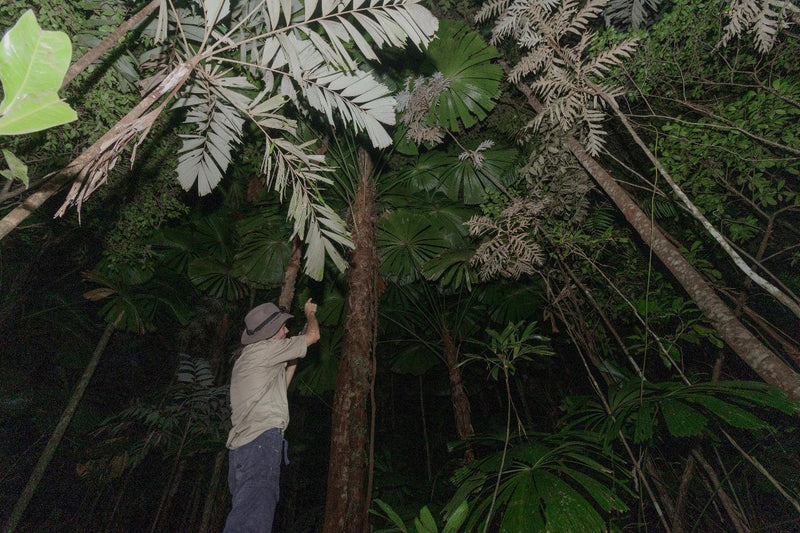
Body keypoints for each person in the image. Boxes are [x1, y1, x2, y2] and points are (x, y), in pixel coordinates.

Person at [223, 298, 320, 533]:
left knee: (247, 512)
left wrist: (294, 354)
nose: (286, 330)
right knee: (252, 520)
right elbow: (314, 336)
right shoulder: (265, 351)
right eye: (282, 327)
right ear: (269, 332)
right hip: (260, 443)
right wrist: (310, 315)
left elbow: (281, 386)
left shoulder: (250, 358)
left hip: (243, 451)